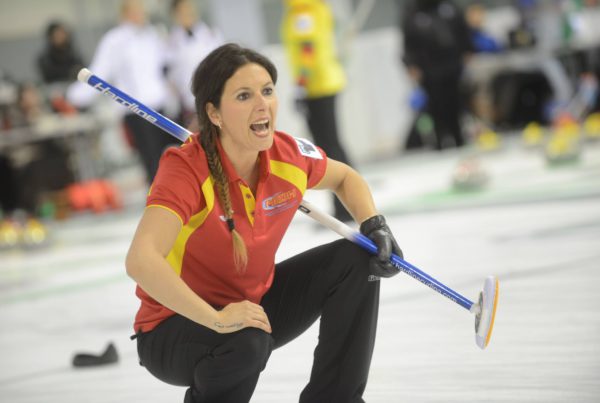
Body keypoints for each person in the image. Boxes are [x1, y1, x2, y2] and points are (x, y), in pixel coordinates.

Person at [126, 43, 403, 403]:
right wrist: (217, 319)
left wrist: (374, 225)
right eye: (244, 96)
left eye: (268, 91)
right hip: (174, 326)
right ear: (215, 113)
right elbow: (141, 260)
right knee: (247, 341)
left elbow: (345, 177)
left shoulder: (287, 154)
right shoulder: (186, 169)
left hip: (251, 304)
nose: (263, 104)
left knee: (356, 259)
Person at [67, 0, 175, 185]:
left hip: (160, 107)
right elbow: (101, 70)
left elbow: (165, 66)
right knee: (153, 165)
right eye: (136, 10)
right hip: (137, 111)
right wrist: (75, 96)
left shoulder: (152, 35)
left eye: (142, 10)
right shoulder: (115, 40)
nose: (141, 14)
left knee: (173, 159)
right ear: (125, 13)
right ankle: (161, 206)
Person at [281, 0, 353, 222]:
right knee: (331, 141)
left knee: (327, 145)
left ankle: (344, 206)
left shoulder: (304, 12)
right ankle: (351, 197)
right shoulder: (313, 9)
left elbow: (307, 48)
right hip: (322, 83)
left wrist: (301, 84)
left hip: (317, 86)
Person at [400, 0, 473, 150]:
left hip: (452, 65)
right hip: (429, 69)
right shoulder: (413, 13)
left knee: (455, 103)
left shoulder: (449, 7)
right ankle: (440, 140)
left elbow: (462, 30)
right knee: (435, 106)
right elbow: (408, 43)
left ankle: (459, 137)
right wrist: (411, 65)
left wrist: (468, 50)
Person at [167, 0, 224, 128]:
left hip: (215, 99)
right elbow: (171, 75)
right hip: (190, 105)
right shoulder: (171, 42)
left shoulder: (211, 34)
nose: (187, 13)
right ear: (175, 15)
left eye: (189, 9)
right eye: (182, 11)